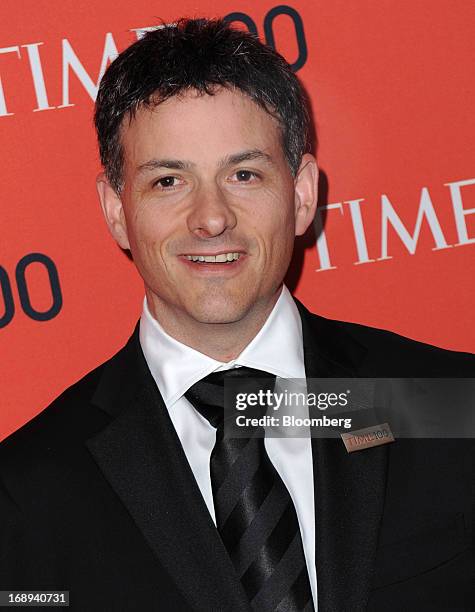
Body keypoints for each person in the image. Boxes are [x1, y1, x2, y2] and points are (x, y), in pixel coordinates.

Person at [0, 18, 473, 612]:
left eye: (243, 175)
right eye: (168, 181)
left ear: (301, 195)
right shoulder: (27, 495)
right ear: (116, 210)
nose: (211, 218)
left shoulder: (450, 408)